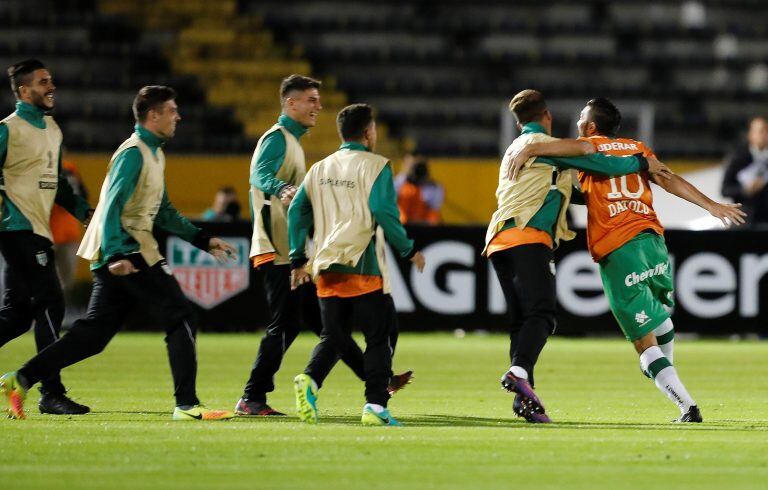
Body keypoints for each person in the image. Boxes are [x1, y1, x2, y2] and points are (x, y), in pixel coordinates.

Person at [0, 85, 237, 421]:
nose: (178, 117)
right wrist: (114, 255)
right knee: (181, 315)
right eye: (172, 111)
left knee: (94, 334)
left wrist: (202, 239)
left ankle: (19, 379)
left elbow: (164, 210)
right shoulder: (134, 153)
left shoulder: (152, 152)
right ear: (153, 115)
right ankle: (187, 404)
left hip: (124, 251)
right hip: (127, 251)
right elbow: (111, 206)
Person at [509, 97, 746, 422]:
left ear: (591, 127)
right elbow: (667, 178)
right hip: (653, 240)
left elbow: (569, 150)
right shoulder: (636, 148)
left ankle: (686, 406)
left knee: (644, 346)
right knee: (660, 320)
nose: (578, 123)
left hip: (620, 247)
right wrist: (712, 206)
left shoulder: (589, 147)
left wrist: (530, 149)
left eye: (581, 118)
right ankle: (668, 376)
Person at [483, 89, 674, 423]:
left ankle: (524, 399)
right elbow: (598, 161)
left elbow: (575, 192)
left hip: (498, 241)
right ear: (547, 116)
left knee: (523, 322)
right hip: (528, 237)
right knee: (543, 315)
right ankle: (518, 373)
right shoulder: (543, 145)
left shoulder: (515, 149)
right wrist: (640, 164)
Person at [237, 75, 412, 417]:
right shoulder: (278, 139)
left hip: (290, 250)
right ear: (290, 104)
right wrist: (280, 187)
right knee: (288, 325)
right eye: (311, 100)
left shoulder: (293, 143)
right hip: (278, 250)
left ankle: (377, 380)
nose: (318, 106)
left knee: (330, 329)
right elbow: (259, 175)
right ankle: (252, 396)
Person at [289, 103, 425, 426]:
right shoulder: (377, 166)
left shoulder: (319, 168)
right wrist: (408, 249)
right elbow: (383, 210)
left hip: (325, 266)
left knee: (334, 336)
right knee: (378, 337)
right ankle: (376, 407)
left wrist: (298, 256)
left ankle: (309, 380)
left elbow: (296, 211)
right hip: (361, 264)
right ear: (367, 132)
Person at [0, 59, 92, 415]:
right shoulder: (8, 130)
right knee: (51, 304)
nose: (51, 86)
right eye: (42, 82)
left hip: (37, 229)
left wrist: (85, 211)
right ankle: (50, 393)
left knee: (16, 316)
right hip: (17, 229)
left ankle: (50, 392)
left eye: (51, 80)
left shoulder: (53, 130)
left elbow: (59, 187)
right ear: (24, 91)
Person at [50, 152, 88, 296]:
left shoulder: (67, 167)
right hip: (65, 231)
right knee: (64, 281)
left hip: (50, 231)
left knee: (54, 281)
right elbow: (83, 195)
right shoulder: (69, 167)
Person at [721, 116, 768, 227]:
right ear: (750, 135)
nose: (765, 134)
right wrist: (745, 190)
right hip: (744, 220)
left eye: (767, 130)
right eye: (761, 131)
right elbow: (725, 189)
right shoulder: (738, 158)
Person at [394, 153, 444, 224]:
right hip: (403, 224)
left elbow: (434, 206)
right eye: (411, 165)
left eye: (418, 166)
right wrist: (405, 176)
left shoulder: (434, 188)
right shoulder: (400, 183)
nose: (415, 169)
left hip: (424, 226)